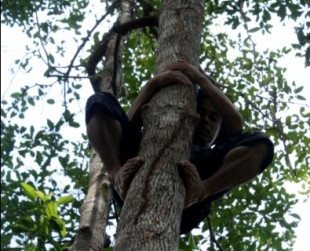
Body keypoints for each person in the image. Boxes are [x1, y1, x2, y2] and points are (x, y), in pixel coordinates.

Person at [86, 60, 274, 234]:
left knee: (262, 143)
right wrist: (152, 86)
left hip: (190, 197)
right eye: (202, 112)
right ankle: (116, 173)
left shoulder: (217, 152)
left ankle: (201, 190)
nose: (206, 121)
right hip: (134, 173)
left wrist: (200, 78)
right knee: (99, 101)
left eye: (214, 117)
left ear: (220, 129)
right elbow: (128, 127)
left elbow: (236, 124)